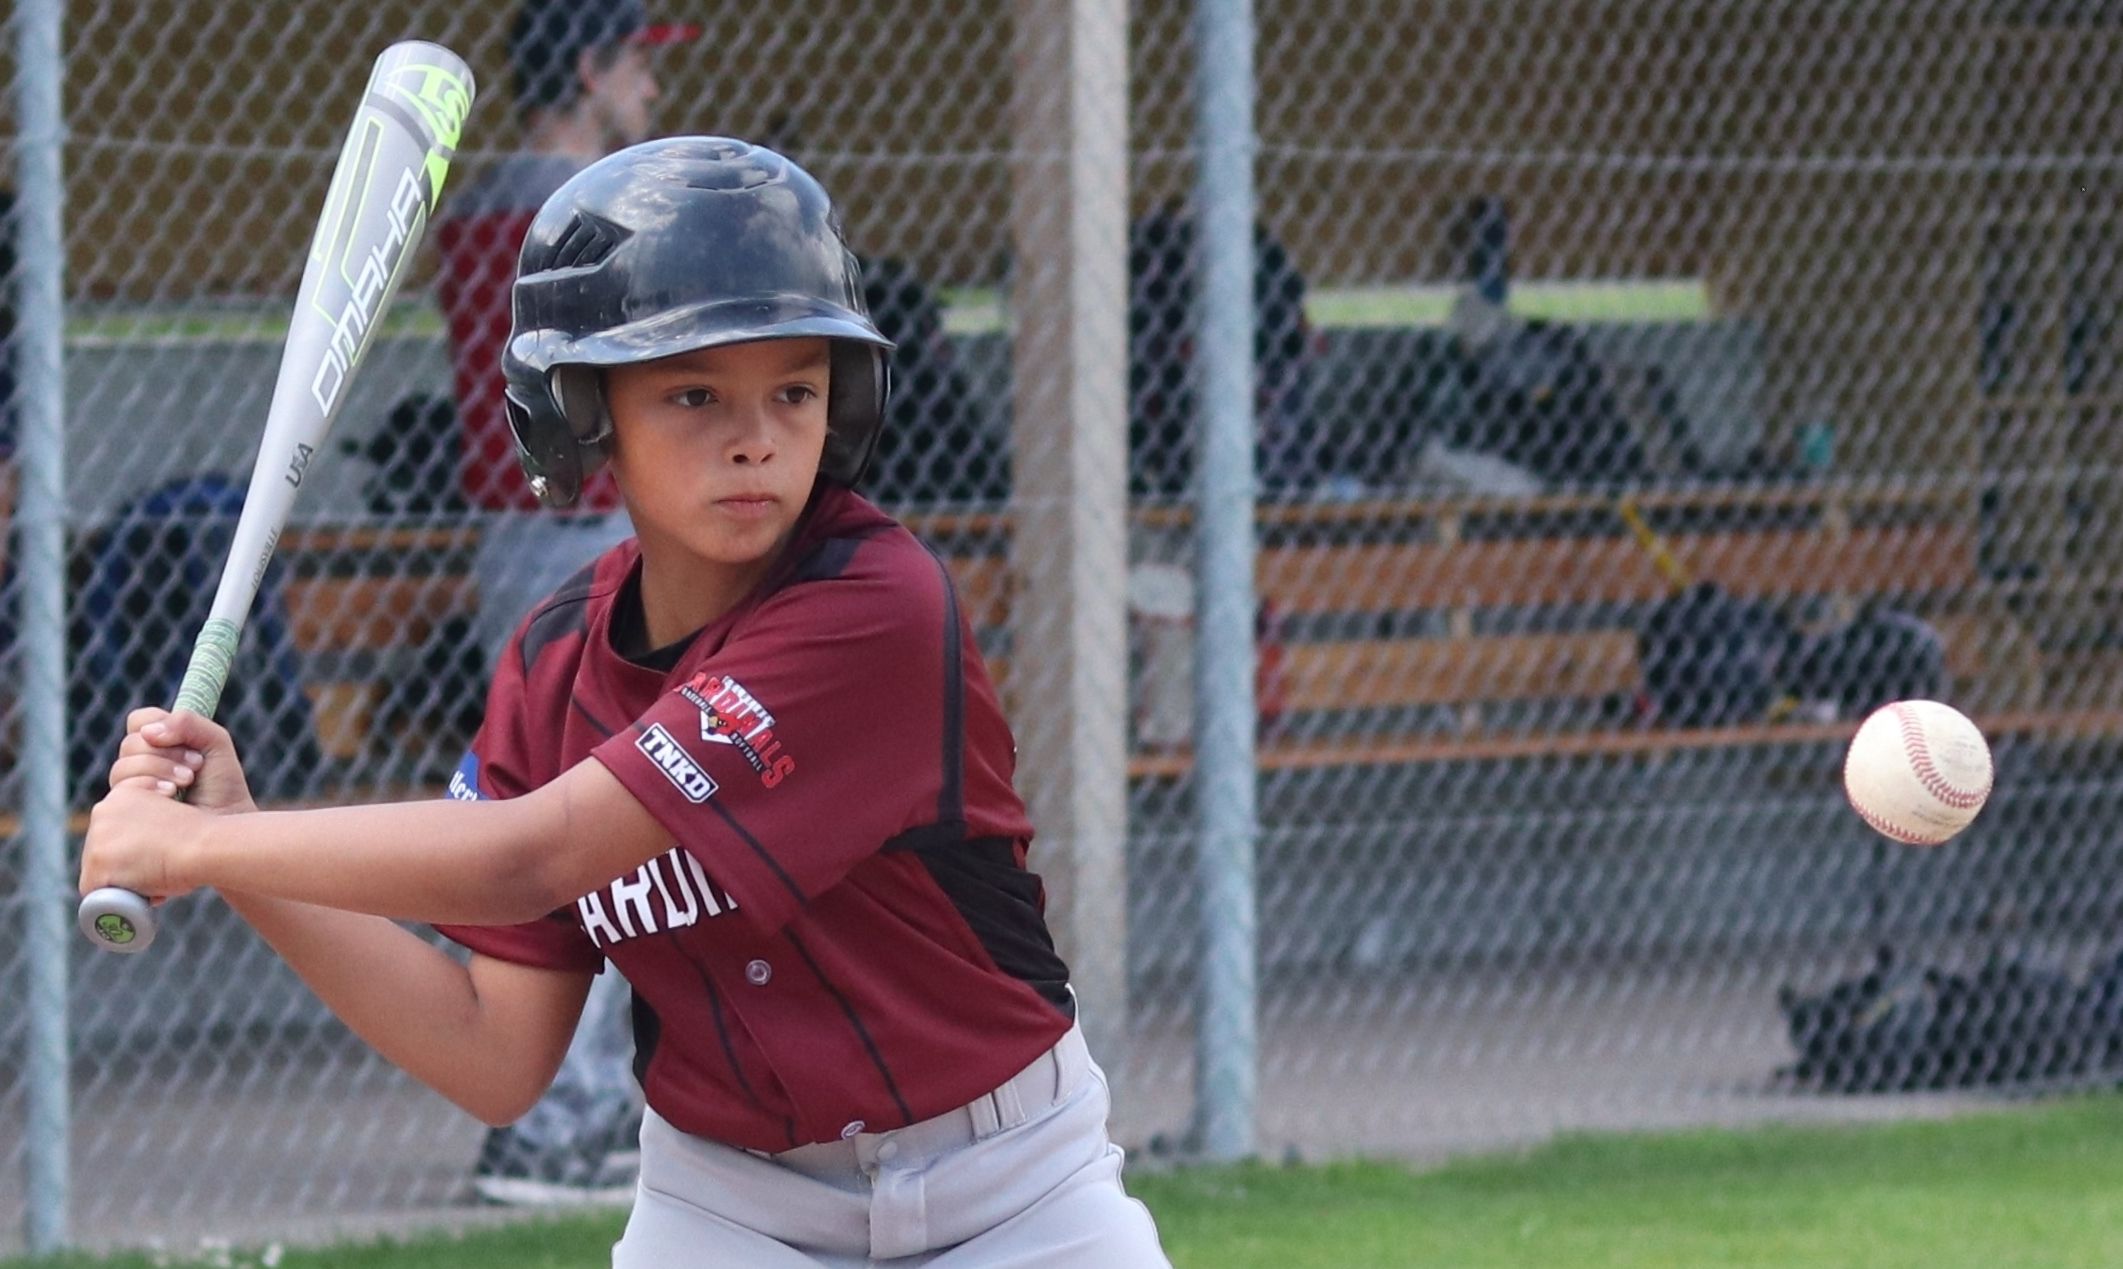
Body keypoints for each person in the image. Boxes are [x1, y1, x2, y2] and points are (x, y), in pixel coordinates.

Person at [81, 137, 1170, 1267]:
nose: (755, 440)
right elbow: (490, 1054)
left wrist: (196, 851)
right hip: (729, 1205)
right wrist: (236, 842)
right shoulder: (556, 661)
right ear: (581, 413)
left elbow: (532, 855)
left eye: (794, 390)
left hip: (1006, 1187)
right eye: (694, 393)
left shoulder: (873, 603)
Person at [433, 0, 698, 1202]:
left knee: (559, 822)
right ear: (587, 68)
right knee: (604, 830)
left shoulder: (482, 203)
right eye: (635, 66)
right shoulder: (592, 208)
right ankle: (554, 1123)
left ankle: (561, 1104)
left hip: (512, 537)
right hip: (584, 538)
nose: (650, 90)